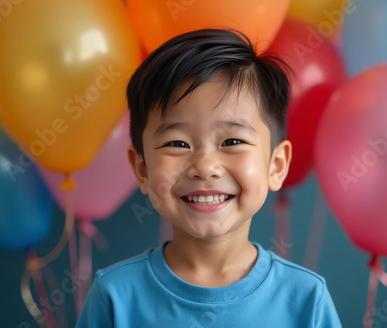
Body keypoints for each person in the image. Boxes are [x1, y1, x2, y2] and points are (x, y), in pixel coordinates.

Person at [76, 29, 341, 328]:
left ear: (276, 165)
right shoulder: (114, 297)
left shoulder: (306, 299)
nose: (205, 166)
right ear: (143, 170)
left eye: (231, 142)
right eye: (177, 144)